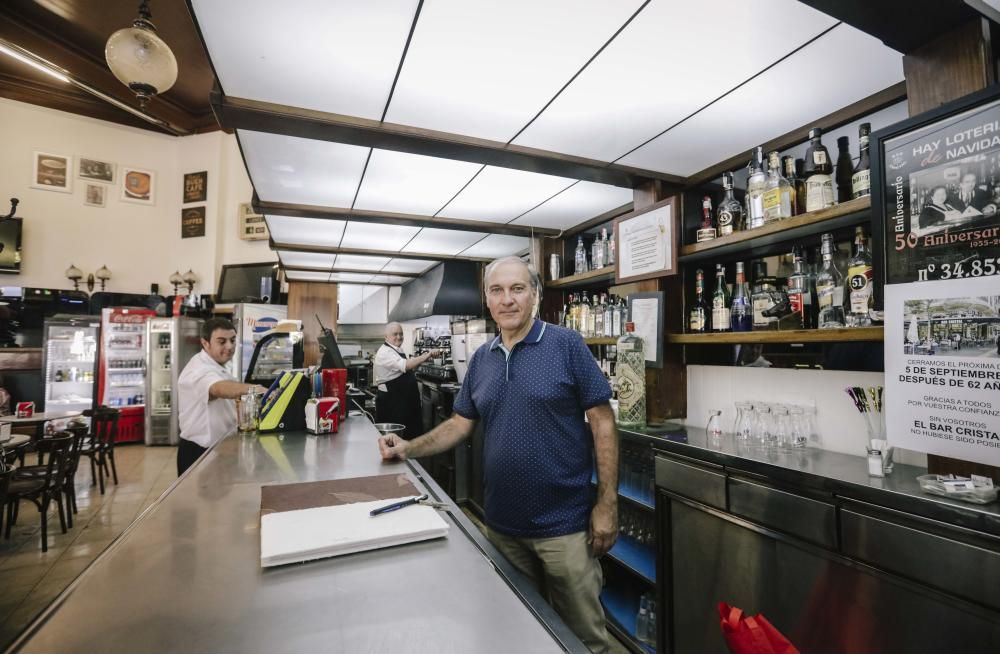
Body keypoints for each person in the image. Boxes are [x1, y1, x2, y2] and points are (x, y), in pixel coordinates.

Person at [378, 257, 618, 653]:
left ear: (535, 296)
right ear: (487, 300)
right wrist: (409, 448)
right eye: (497, 290)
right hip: (503, 526)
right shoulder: (482, 358)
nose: (507, 300)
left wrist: (606, 503)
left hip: (565, 527)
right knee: (518, 633)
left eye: (518, 289)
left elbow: (603, 422)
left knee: (584, 640)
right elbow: (460, 423)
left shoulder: (566, 345)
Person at [177, 318, 266, 475]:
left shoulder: (217, 365)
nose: (229, 347)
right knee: (200, 500)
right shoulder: (198, 370)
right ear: (205, 343)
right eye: (222, 341)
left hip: (219, 450)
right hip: (199, 452)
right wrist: (260, 390)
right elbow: (218, 389)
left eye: (232, 340)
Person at [373, 322, 439, 439]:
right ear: (386, 337)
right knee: (397, 438)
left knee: (410, 436)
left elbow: (407, 369)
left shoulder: (397, 349)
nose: (399, 337)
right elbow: (406, 366)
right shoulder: (385, 352)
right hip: (394, 403)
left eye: (401, 334)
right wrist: (427, 355)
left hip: (403, 402)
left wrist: (420, 362)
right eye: (395, 334)